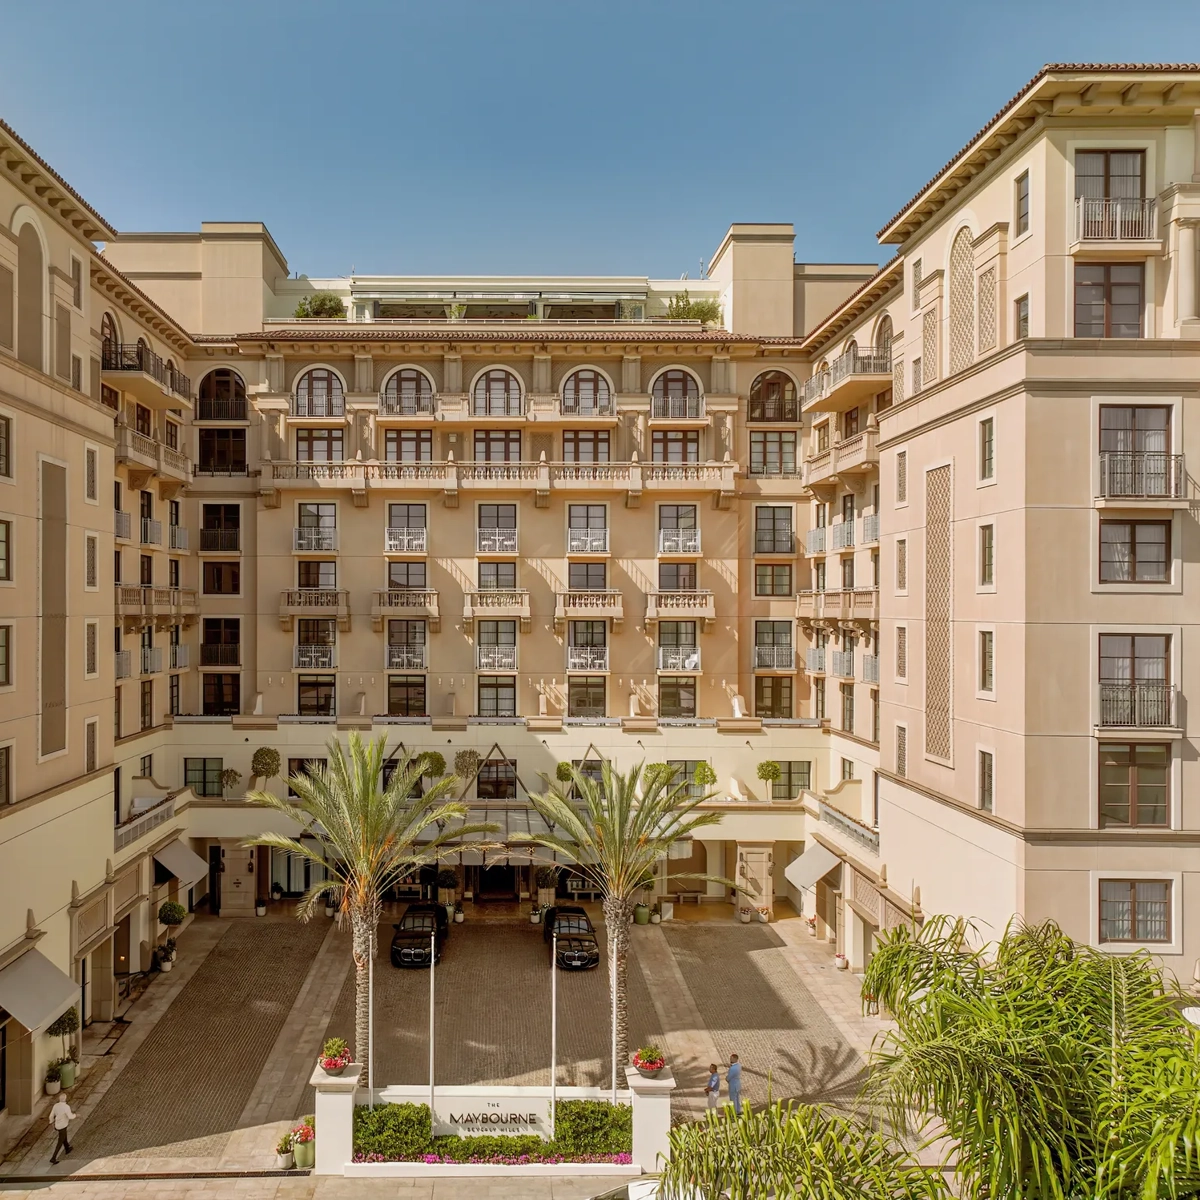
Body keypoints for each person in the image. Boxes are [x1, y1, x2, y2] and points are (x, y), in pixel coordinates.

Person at [48, 1095, 76, 1164]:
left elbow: (51, 1116)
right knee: (60, 1141)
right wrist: (76, 1115)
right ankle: (53, 1158)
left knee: (64, 1137)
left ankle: (67, 1148)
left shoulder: (55, 1106)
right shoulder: (66, 1107)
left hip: (57, 1125)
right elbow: (70, 1116)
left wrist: (52, 1122)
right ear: (65, 1099)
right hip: (63, 1126)